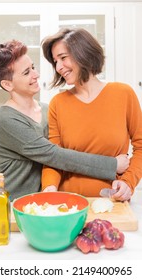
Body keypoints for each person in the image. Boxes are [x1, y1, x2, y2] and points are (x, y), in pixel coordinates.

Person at [0, 40, 128, 201]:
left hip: (39, 204)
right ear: (7, 84)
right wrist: (112, 165)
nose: (35, 74)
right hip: (8, 204)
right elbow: (54, 155)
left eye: (33, 67)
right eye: (26, 73)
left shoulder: (46, 109)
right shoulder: (6, 120)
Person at [41, 27, 142, 201]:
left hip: (112, 202)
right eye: (55, 61)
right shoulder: (58, 103)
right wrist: (49, 187)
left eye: (63, 58)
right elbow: (53, 157)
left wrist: (128, 182)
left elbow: (141, 146)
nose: (58, 67)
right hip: (69, 204)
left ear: (83, 53)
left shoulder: (123, 94)